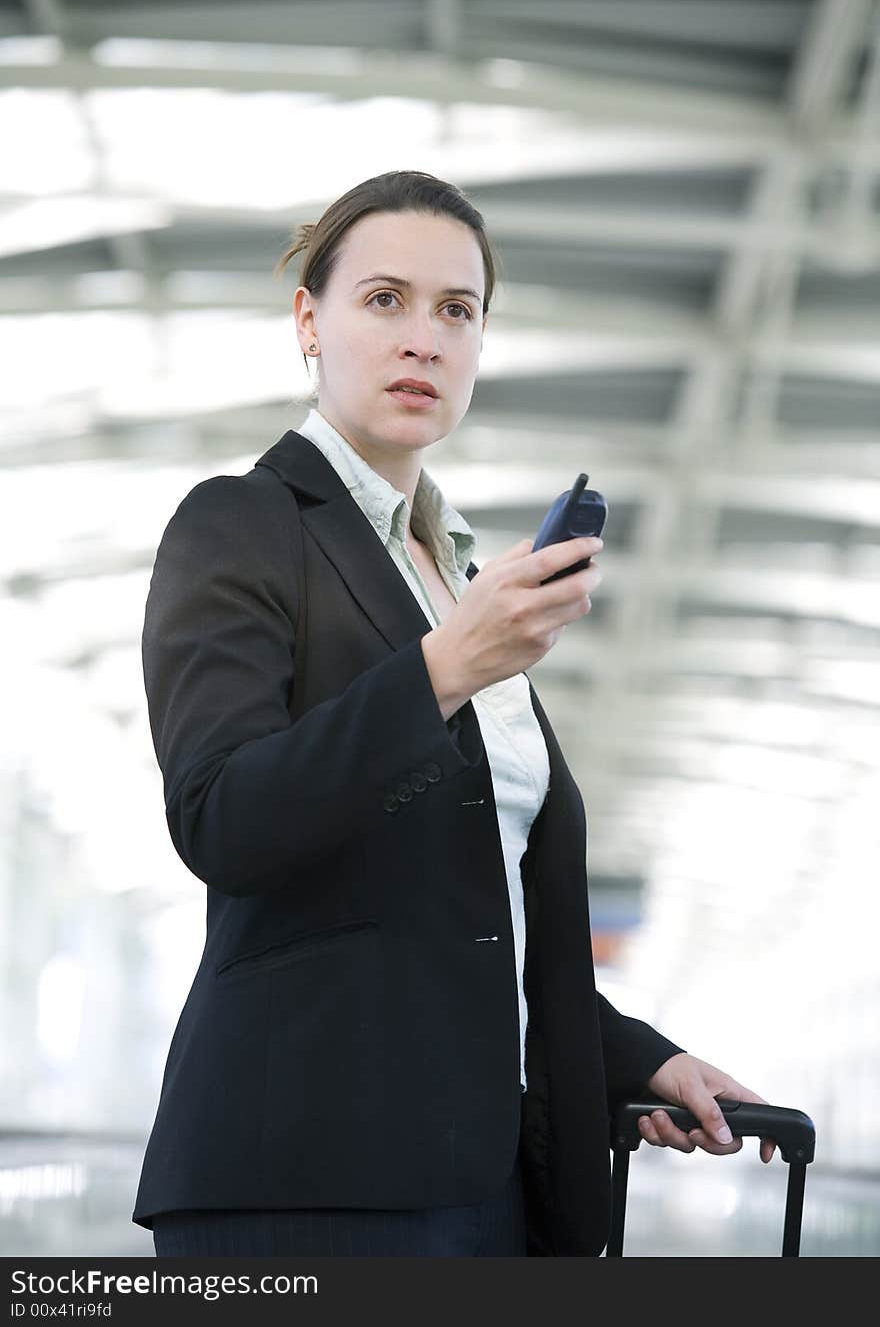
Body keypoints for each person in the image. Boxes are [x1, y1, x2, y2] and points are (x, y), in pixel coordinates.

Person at [133, 169, 776, 1258]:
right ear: (309, 321)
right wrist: (442, 667)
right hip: (308, 1179)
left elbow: (466, 917)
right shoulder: (241, 525)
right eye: (383, 300)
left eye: (456, 310)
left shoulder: (458, 577)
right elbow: (221, 816)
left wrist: (630, 1056)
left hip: (487, 1182)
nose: (422, 339)